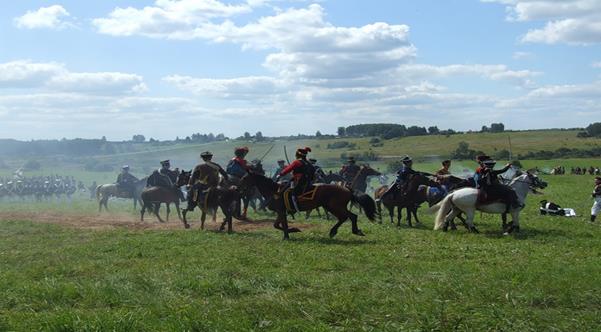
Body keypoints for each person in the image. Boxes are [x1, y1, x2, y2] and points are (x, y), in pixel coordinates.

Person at [276, 147, 315, 212]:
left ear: (298, 155)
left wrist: (280, 174)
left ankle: (293, 205)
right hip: (308, 181)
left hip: (298, 181)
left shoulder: (297, 162)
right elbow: (313, 171)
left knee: (286, 190)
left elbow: (288, 169)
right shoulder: (308, 163)